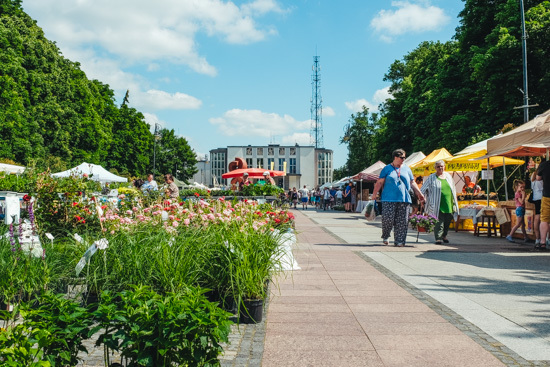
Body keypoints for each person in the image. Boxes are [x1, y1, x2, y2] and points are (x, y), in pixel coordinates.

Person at [370, 149, 425, 247]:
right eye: (402, 157)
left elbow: (412, 182)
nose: (404, 159)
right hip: (388, 199)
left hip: (404, 199)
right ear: (396, 157)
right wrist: (374, 194)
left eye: (404, 157)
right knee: (388, 219)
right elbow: (379, 182)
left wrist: (419, 194)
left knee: (402, 221)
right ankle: (386, 235)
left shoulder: (407, 169)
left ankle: (399, 241)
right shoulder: (387, 169)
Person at [420, 160, 459, 244]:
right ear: (435, 168)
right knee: (439, 221)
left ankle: (444, 235)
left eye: (441, 166)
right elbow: (423, 189)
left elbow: (454, 189)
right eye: (438, 167)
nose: (440, 168)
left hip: (449, 202)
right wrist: (422, 199)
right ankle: (438, 237)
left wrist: (455, 200)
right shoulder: (431, 177)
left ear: (444, 167)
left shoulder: (448, 176)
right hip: (437, 203)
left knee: (448, 220)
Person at [536, 161, 550, 249]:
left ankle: (543, 242)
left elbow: (538, 178)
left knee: (544, 219)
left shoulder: (544, 164)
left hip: (547, 195)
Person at [531, 170, 543, 248]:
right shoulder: (542, 180)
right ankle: (545, 238)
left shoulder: (533, 179)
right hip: (542, 198)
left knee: (537, 218)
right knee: (544, 219)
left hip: (535, 198)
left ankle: (537, 238)